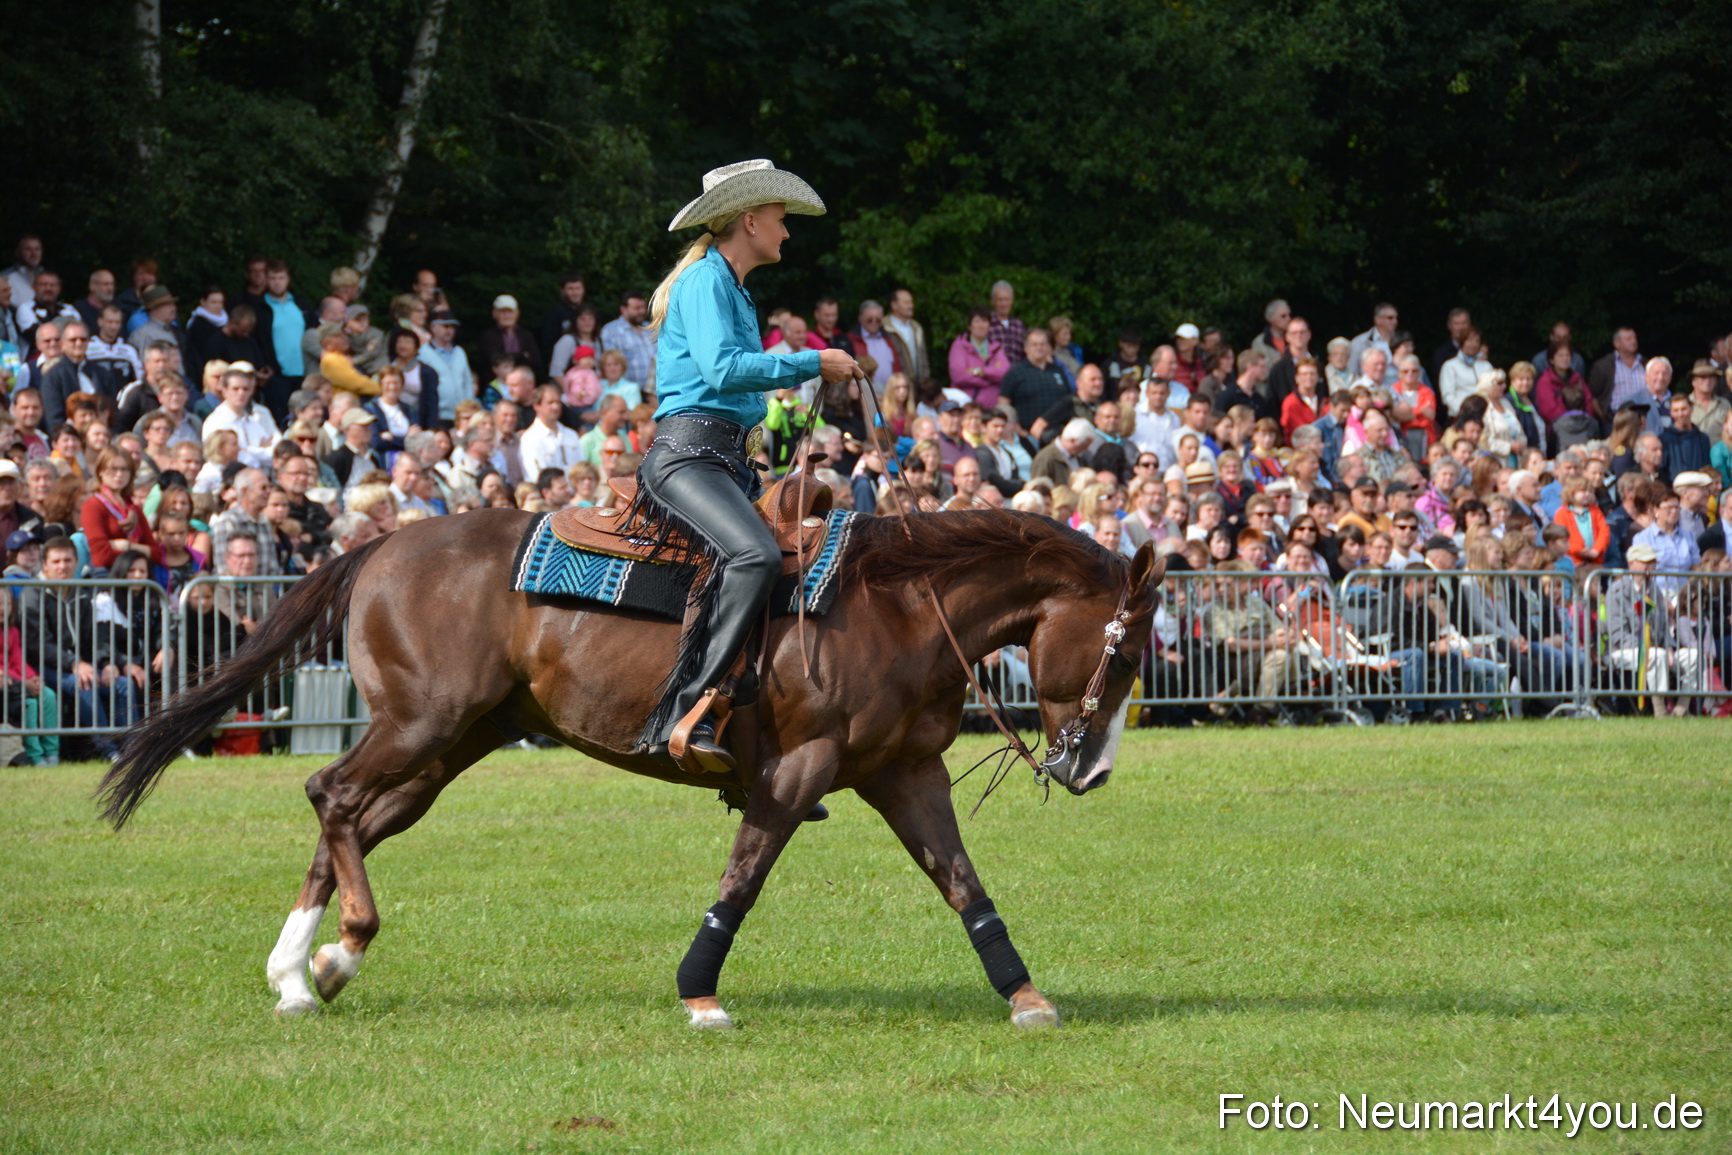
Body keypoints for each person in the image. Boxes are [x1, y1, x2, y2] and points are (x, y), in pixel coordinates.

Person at [637, 159, 856, 772]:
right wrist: (814, 362)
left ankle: (753, 735)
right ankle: (690, 710)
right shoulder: (707, 281)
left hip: (724, 460)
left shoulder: (732, 287)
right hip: (687, 458)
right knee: (754, 556)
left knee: (792, 561)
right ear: (751, 219)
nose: (787, 233)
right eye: (782, 221)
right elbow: (723, 371)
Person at [947, 306, 1009, 408]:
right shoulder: (959, 345)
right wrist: (990, 380)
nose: (981, 325)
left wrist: (980, 371)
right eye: (977, 321)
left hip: (992, 408)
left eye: (984, 321)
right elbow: (958, 376)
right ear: (969, 325)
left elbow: (1006, 373)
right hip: (966, 407)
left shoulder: (996, 347)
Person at [600, 291, 657, 399]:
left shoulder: (651, 328)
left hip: (654, 393)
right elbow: (609, 364)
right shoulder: (611, 330)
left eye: (643, 307)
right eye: (636, 308)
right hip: (626, 393)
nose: (641, 311)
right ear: (623, 309)